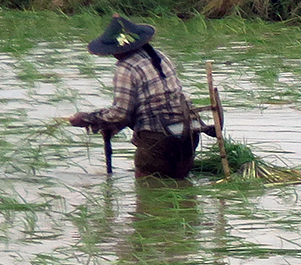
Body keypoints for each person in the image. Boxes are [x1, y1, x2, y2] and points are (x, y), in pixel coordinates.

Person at [68, 15, 205, 179]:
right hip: (190, 132)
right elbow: (152, 104)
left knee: (148, 191)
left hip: (159, 138)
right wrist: (115, 126)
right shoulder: (160, 56)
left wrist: (87, 118)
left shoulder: (126, 67)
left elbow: (120, 113)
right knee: (179, 188)